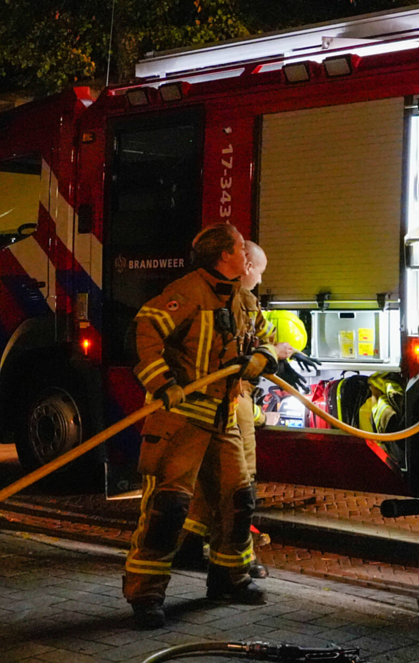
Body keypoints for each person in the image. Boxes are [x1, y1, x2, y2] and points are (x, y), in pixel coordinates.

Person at [122, 223, 279, 630]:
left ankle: (229, 579)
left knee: (237, 499)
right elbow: (145, 331)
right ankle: (146, 595)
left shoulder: (242, 298)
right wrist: (164, 384)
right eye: (241, 248)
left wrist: (262, 356)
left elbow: (265, 335)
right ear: (223, 256)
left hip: (222, 416)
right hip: (181, 419)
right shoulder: (186, 292)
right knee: (167, 509)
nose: (248, 255)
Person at [175, 240, 318, 578]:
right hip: (229, 398)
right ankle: (236, 563)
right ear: (247, 266)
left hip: (222, 398)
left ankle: (191, 544)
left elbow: (263, 340)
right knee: (240, 483)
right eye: (260, 270)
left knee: (216, 482)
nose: (260, 278)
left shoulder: (234, 299)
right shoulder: (230, 298)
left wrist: (285, 356)